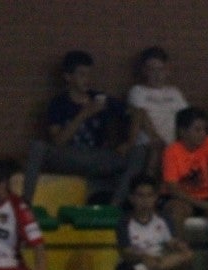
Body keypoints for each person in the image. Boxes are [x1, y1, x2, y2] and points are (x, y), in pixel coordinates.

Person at [23, 50, 147, 207]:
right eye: (82, 75)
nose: (87, 80)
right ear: (68, 77)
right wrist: (85, 113)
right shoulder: (58, 103)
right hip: (68, 156)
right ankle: (25, 205)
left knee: (139, 151)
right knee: (37, 147)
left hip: (96, 156)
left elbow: (138, 112)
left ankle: (115, 206)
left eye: (89, 74)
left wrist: (129, 142)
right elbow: (58, 141)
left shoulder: (100, 99)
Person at [162, 107, 208, 238]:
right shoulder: (171, 151)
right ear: (182, 132)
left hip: (207, 196)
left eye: (204, 130)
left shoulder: (207, 142)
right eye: (197, 130)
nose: (203, 134)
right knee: (176, 211)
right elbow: (173, 189)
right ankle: (181, 252)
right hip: (181, 199)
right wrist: (206, 206)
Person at [126, 46, 190, 177]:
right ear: (144, 71)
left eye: (160, 69)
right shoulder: (138, 91)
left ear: (167, 70)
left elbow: (187, 118)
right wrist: (156, 139)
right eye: (151, 69)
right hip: (145, 145)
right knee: (153, 153)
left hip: (171, 146)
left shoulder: (174, 93)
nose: (156, 74)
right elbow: (141, 117)